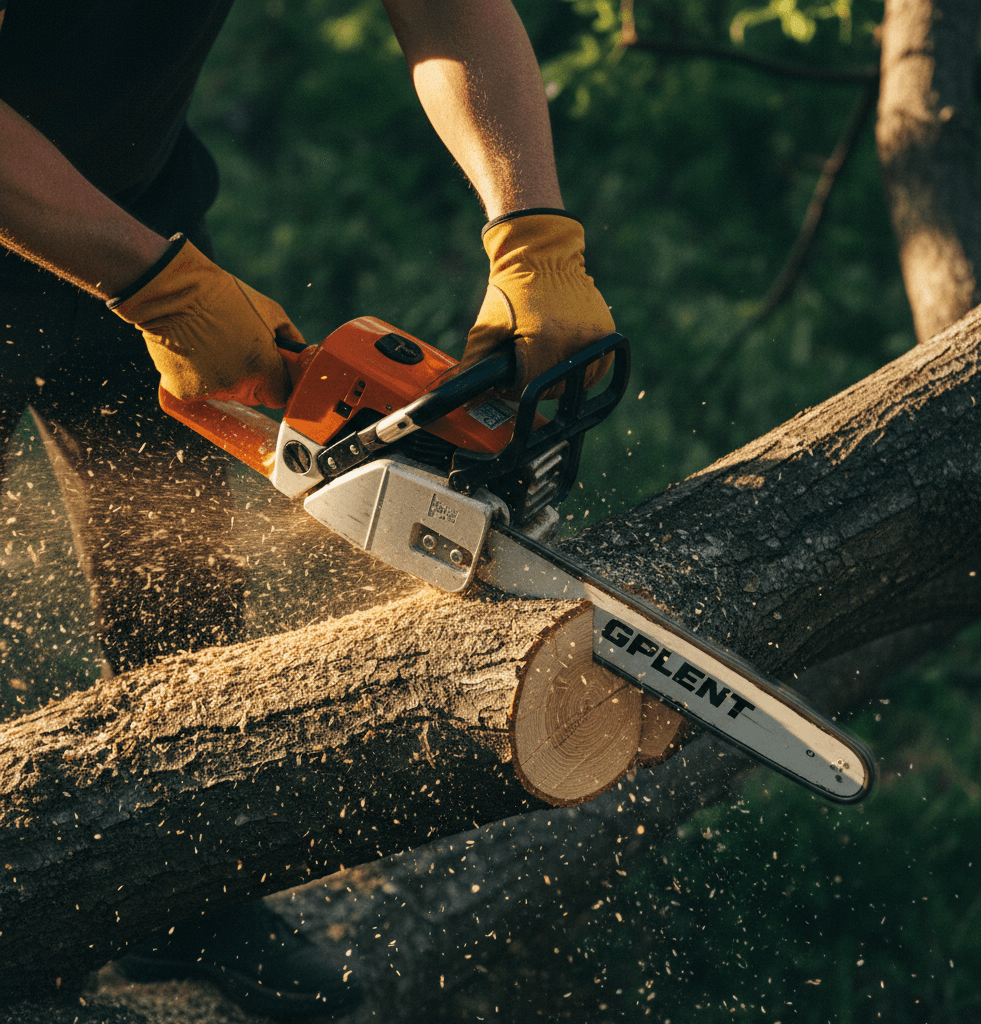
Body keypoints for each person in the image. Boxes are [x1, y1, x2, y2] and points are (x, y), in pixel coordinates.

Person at [0, 0, 613, 1016]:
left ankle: (173, 886)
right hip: (94, 229)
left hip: (123, 202)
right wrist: (157, 285)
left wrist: (533, 238)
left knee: (170, 568)